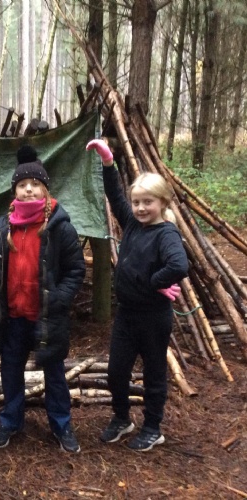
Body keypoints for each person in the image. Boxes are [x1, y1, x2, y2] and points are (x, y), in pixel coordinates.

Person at [86, 139, 188, 451]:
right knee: (117, 371)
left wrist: (155, 282)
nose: (141, 208)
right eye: (137, 202)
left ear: (163, 203)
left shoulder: (166, 233)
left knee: (154, 372)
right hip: (127, 315)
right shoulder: (132, 224)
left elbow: (178, 265)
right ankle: (122, 418)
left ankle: (153, 427)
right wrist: (108, 163)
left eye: (148, 202)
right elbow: (115, 195)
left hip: (154, 317)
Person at [0, 145, 85, 453]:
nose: (28, 189)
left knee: (54, 374)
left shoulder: (59, 227)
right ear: (14, 190)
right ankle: (10, 421)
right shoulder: (3, 227)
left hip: (46, 316)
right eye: (22, 185)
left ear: (45, 189)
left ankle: (61, 424)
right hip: (14, 317)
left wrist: (59, 299)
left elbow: (75, 270)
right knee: (11, 371)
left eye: (35, 184)